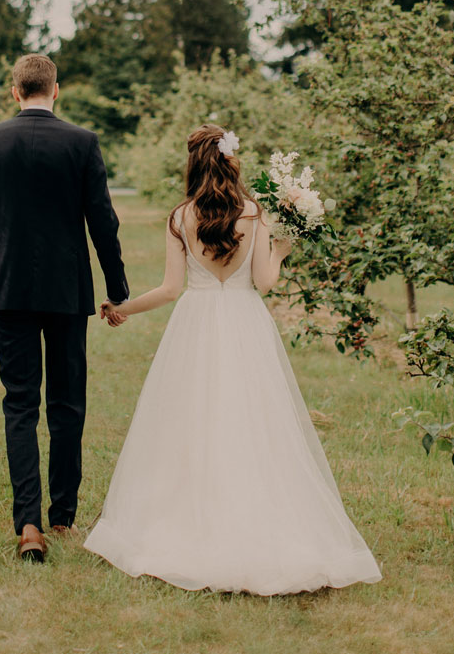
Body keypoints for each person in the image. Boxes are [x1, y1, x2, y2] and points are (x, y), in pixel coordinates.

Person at [85, 123, 381, 595]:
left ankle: (190, 515)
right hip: (246, 325)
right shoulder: (255, 214)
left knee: (190, 423)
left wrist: (121, 308)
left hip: (196, 325)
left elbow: (168, 289)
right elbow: (264, 283)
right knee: (254, 422)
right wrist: (281, 250)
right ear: (230, 161)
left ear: (193, 164)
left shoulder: (180, 217)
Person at [0, 53, 129, 562]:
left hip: (7, 290)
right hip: (65, 293)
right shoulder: (82, 142)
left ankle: (28, 525)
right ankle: (62, 517)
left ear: (15, 91)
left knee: (19, 404)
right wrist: (116, 288)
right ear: (56, 90)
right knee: (66, 404)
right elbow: (103, 221)